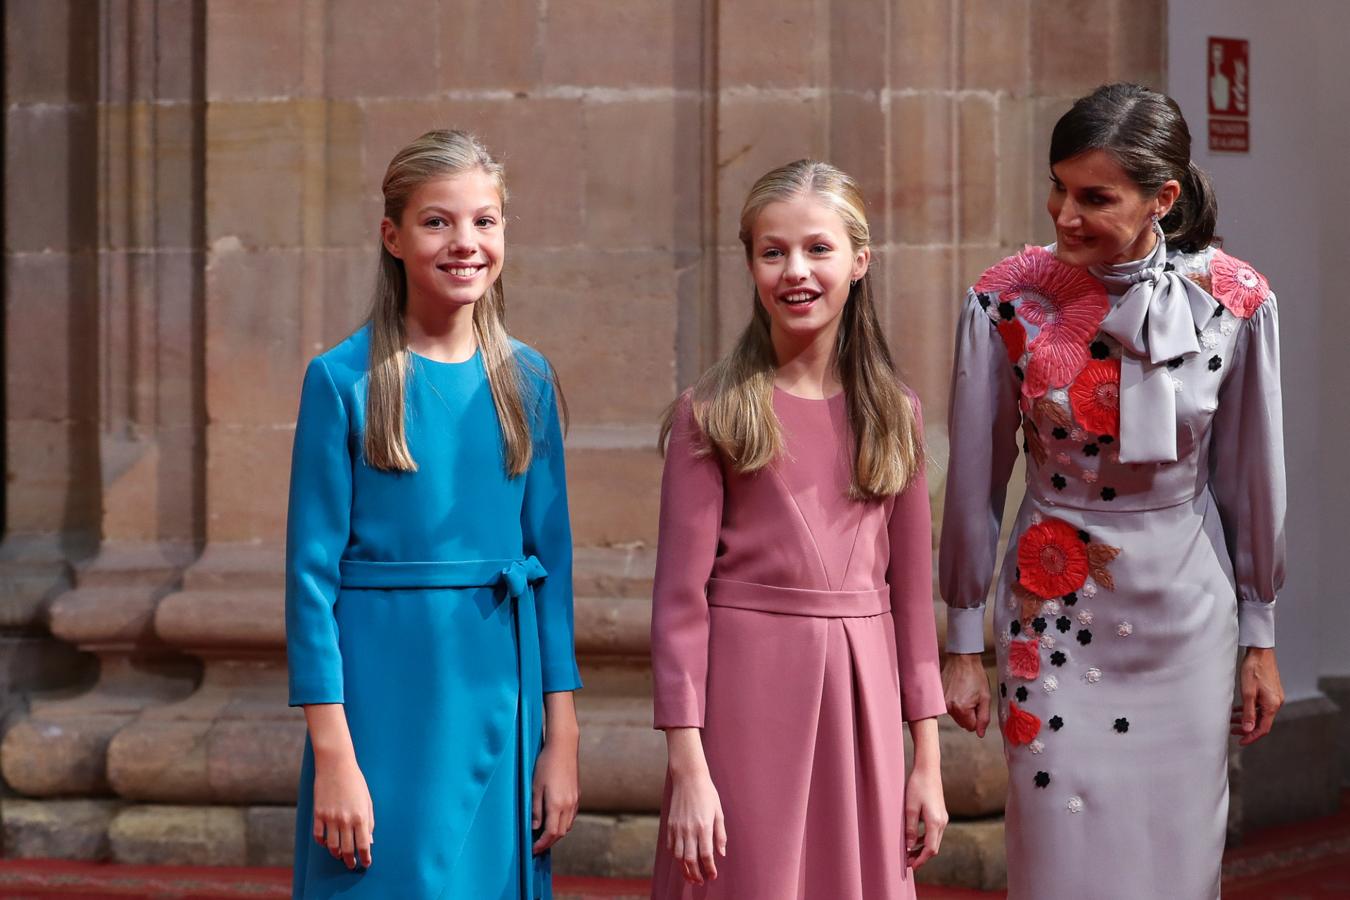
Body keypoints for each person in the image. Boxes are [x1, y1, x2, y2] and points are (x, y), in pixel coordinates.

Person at [939, 83, 1285, 900]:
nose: (1065, 214)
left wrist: (1261, 636)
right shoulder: (1006, 299)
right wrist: (960, 640)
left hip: (1186, 627)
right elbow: (974, 485)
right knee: (1059, 855)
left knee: (1174, 863)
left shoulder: (1237, 301)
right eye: (1058, 187)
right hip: (1052, 616)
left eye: (1095, 197)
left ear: (1162, 197)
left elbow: (1251, 484)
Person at [285, 129, 581, 899]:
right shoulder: (342, 380)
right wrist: (335, 758)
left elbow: (554, 574)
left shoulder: (530, 381)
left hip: (500, 695)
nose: (466, 243)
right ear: (393, 236)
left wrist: (564, 738)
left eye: (485, 221)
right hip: (382, 706)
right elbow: (309, 586)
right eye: (437, 222)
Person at [649, 159, 948, 899]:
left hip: (865, 701)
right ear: (750, 263)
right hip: (745, 707)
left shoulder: (895, 414)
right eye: (772, 251)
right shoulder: (712, 411)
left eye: (817, 248)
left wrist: (927, 762)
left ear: (859, 259)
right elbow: (678, 608)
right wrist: (689, 770)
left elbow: (913, 604)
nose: (795, 271)